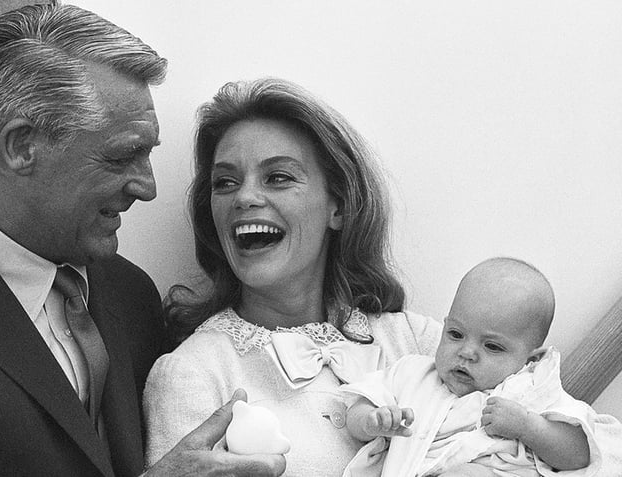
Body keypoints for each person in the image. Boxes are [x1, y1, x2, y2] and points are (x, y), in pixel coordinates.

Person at [0, 4, 283, 477]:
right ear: (22, 146)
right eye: (122, 156)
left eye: (147, 155)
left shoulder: (130, 293)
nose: (146, 188)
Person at [143, 77, 445, 476]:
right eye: (225, 182)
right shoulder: (192, 372)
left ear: (338, 207)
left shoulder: (418, 341)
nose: (245, 197)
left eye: (278, 177)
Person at [342, 258, 622, 476]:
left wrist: (529, 427)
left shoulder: (531, 392)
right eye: (456, 335)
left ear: (530, 360)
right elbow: (355, 408)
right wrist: (372, 419)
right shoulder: (412, 373)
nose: (467, 353)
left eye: (492, 346)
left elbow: (580, 454)